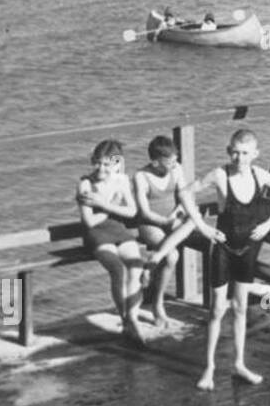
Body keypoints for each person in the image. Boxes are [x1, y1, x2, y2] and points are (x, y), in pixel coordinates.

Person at [166, 129, 270, 390]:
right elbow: (185, 193)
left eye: (245, 153)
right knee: (216, 310)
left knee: (240, 308)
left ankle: (239, 363)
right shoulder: (219, 174)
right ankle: (209, 367)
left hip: (248, 248)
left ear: (255, 154)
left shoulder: (260, 175)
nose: (239, 158)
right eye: (235, 152)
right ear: (228, 151)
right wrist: (202, 226)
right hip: (223, 248)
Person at [77, 139, 146, 345]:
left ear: (116, 164)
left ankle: (132, 318)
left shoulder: (121, 180)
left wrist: (103, 204)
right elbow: (89, 221)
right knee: (118, 269)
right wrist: (109, 207)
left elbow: (132, 211)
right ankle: (125, 318)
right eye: (98, 163)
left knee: (136, 267)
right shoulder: (86, 184)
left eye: (107, 164)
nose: (101, 168)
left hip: (118, 230)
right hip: (97, 234)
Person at [132, 135, 188, 329]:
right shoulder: (141, 176)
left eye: (175, 161)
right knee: (172, 256)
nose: (174, 165)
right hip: (151, 223)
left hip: (172, 219)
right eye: (169, 163)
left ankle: (151, 265)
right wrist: (165, 221)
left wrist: (176, 215)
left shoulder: (177, 169)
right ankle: (158, 305)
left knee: (196, 223)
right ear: (155, 162)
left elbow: (183, 198)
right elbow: (144, 212)